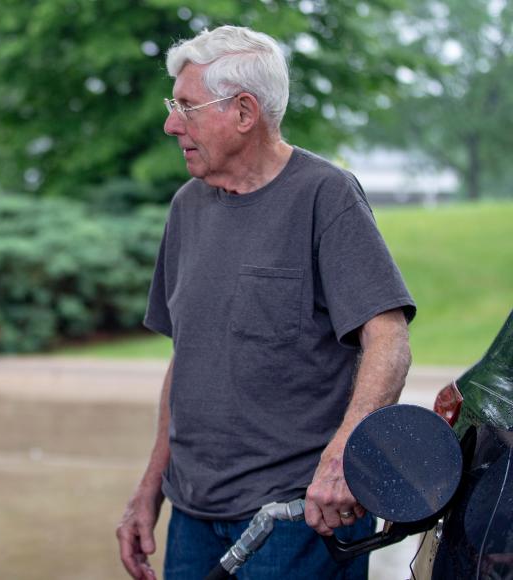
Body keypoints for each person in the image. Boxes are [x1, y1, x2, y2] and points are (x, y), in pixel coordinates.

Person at [115, 25, 415, 580]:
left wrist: (340, 460)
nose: (170, 124)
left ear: (244, 112)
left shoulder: (326, 195)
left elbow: (388, 337)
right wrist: (148, 489)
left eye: (186, 106)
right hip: (193, 517)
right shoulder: (187, 207)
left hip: (298, 517)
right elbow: (189, 358)